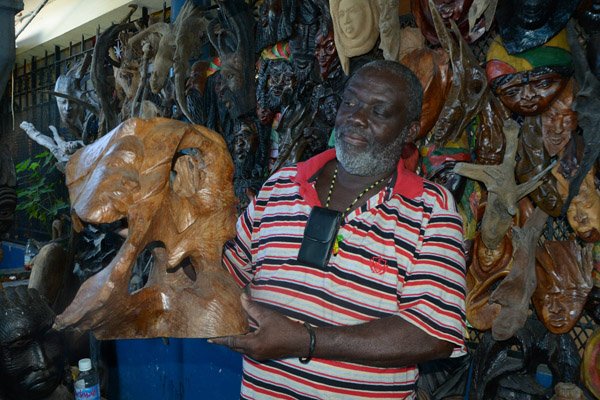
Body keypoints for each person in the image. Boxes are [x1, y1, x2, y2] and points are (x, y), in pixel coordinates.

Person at [212, 60, 467, 399]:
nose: (356, 117)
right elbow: (222, 275)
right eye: (350, 102)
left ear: (409, 130)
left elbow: (431, 334)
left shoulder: (431, 208)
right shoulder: (280, 186)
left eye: (379, 111)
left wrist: (306, 340)